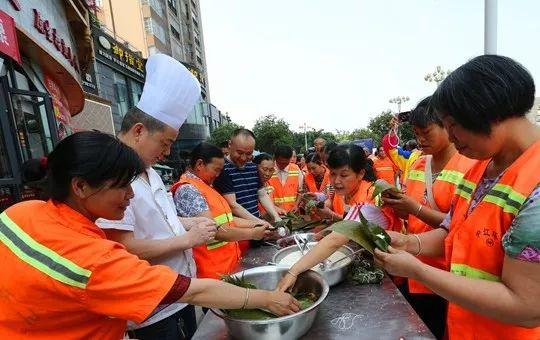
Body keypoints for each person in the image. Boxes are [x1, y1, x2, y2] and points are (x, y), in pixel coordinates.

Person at [0, 131, 300, 339]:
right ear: (80, 186)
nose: (131, 195)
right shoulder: (94, 259)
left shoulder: (21, 212)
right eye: (121, 185)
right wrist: (266, 298)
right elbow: (193, 291)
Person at [374, 55, 540, 340]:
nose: (451, 138)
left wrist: (419, 272)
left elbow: (528, 307)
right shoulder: (480, 166)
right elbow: (455, 230)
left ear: (486, 111)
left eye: (453, 125)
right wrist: (410, 242)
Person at [97, 54, 216, 339]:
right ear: (139, 131)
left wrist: (189, 225)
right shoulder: (110, 177)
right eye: (165, 143)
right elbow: (123, 247)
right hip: (153, 308)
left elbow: (161, 221)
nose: (167, 153)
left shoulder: (149, 171)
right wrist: (187, 240)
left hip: (182, 290)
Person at [381, 96, 476, 339]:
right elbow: (412, 213)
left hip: (448, 275)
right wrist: (399, 207)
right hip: (414, 267)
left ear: (448, 126)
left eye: (426, 132)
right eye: (415, 133)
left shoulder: (471, 167)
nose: (420, 139)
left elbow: (463, 226)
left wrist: (416, 209)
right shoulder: (418, 163)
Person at [276, 144, 397, 291]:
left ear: (360, 174)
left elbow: (336, 239)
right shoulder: (352, 192)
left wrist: (293, 271)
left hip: (392, 270)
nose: (336, 181)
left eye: (344, 175)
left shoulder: (366, 201)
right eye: (332, 174)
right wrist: (318, 235)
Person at [171, 143, 272, 279]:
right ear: (200, 164)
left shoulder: (206, 186)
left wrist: (258, 224)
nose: (218, 175)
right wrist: (252, 233)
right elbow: (212, 230)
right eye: (216, 170)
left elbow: (228, 219)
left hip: (226, 267)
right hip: (211, 272)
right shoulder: (188, 190)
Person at [213, 129, 279, 251]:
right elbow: (233, 205)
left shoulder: (253, 167)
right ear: (229, 145)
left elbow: (262, 194)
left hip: (257, 228)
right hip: (236, 231)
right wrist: (260, 223)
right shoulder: (222, 169)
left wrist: (276, 217)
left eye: (248, 154)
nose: (244, 158)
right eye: (240, 152)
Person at [268, 145, 304, 213]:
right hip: (274, 213)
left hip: (292, 213)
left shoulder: (296, 169)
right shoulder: (268, 170)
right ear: (275, 158)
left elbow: (300, 191)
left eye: (286, 163)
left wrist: (296, 205)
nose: (283, 166)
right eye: (281, 163)